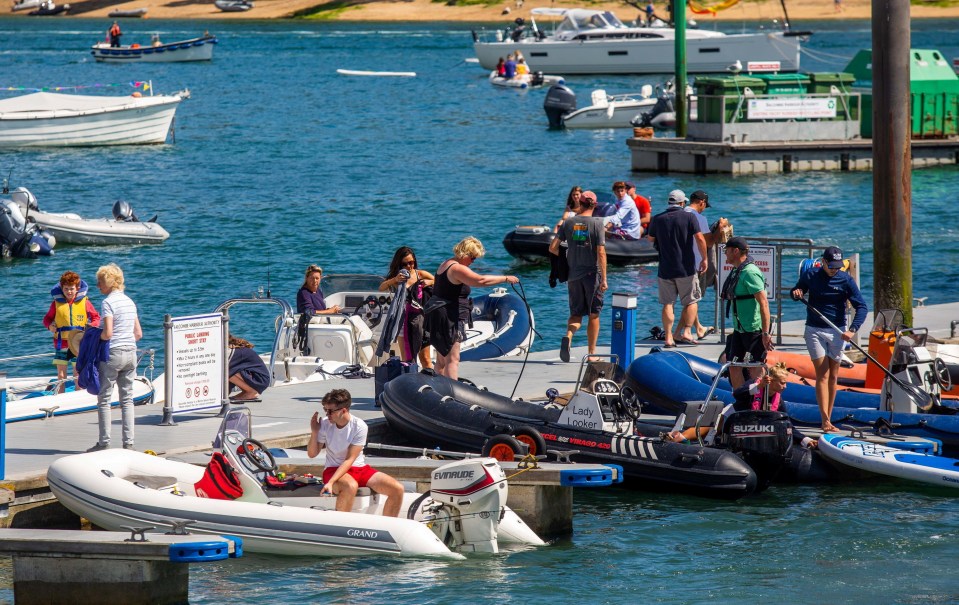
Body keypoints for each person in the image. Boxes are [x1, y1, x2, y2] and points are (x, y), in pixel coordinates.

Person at [791, 246, 868, 433]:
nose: (834, 269)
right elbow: (797, 290)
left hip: (837, 331)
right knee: (822, 374)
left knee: (833, 376)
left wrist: (852, 330)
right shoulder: (811, 274)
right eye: (831, 266)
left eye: (837, 266)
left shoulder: (846, 280)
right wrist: (796, 293)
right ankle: (825, 420)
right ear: (823, 262)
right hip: (814, 330)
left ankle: (829, 416)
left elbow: (862, 307)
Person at [425, 236, 519, 380]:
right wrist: (505, 278)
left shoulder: (446, 263)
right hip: (449, 318)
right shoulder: (457, 268)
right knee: (453, 359)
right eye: (473, 257)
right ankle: (452, 392)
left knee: (442, 360)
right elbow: (480, 280)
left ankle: (438, 389)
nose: (473, 261)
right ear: (466, 254)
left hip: (438, 315)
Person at [667, 363, 817, 449]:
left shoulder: (779, 402)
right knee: (716, 428)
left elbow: (787, 424)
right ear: (772, 380)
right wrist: (758, 387)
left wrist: (805, 440)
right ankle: (680, 436)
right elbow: (738, 394)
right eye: (782, 383)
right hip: (733, 417)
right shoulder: (754, 386)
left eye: (785, 383)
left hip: (753, 428)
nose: (785, 386)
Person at [307, 389, 405, 517]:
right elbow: (312, 454)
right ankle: (341, 528)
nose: (327, 414)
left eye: (330, 411)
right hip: (333, 469)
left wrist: (331, 483)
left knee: (397, 489)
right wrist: (315, 432)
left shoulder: (359, 426)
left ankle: (388, 527)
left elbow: (349, 459)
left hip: (359, 468)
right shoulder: (325, 423)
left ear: (344, 410)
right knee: (350, 486)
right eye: (325, 410)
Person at [88, 263, 142, 452]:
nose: (98, 286)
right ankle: (128, 443)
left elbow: (108, 333)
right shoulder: (130, 302)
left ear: (109, 283)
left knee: (104, 398)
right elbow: (138, 333)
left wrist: (94, 338)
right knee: (127, 399)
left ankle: (104, 443)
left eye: (100, 282)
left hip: (114, 353)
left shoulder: (107, 302)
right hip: (131, 352)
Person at [549, 189, 608, 361]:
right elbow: (601, 253)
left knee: (576, 314)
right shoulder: (598, 223)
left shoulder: (568, 222)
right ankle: (591, 354)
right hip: (592, 275)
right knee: (594, 314)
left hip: (573, 276)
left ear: (580, 203)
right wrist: (604, 278)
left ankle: (569, 336)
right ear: (595, 205)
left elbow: (552, 248)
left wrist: (569, 253)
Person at [645, 189, 706, 348]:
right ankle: (686, 331)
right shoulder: (689, 217)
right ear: (682, 203)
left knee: (668, 304)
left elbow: (650, 238)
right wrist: (704, 259)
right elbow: (699, 238)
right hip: (685, 268)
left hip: (665, 268)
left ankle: (669, 338)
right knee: (692, 301)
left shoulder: (657, 219)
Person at [720, 237, 771, 388]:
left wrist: (766, 333)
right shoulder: (737, 270)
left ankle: (760, 402)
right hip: (739, 328)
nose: (725, 255)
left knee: (756, 368)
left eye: (727, 251)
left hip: (753, 328)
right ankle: (741, 401)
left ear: (735, 251)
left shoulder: (750, 272)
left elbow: (764, 303)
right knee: (734, 366)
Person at [42, 271, 101, 393]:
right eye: (66, 289)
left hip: (78, 343)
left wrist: (92, 326)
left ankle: (78, 394)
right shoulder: (56, 304)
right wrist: (50, 326)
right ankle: (60, 396)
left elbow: (96, 318)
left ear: (77, 288)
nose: (69, 292)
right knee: (61, 374)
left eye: (72, 289)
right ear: (61, 289)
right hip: (61, 343)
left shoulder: (85, 302)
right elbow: (46, 319)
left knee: (77, 372)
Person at [378, 246, 435, 370]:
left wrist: (430, 282)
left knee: (425, 358)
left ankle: (431, 382)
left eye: (412, 262)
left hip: (421, 320)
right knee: (408, 358)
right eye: (406, 264)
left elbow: (440, 281)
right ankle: (411, 384)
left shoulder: (420, 274)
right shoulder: (397, 277)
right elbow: (381, 287)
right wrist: (395, 279)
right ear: (399, 264)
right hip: (403, 320)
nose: (410, 266)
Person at [685, 189, 728, 340]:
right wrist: (720, 228)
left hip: (680, 261)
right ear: (701, 202)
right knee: (693, 299)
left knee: (688, 299)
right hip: (696, 263)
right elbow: (709, 242)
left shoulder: (682, 213)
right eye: (704, 205)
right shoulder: (699, 218)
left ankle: (698, 328)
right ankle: (685, 332)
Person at [228, 335, 270, 401]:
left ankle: (251, 392)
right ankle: (247, 390)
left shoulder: (232, 352)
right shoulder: (234, 349)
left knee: (226, 370)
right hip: (259, 379)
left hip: (260, 379)